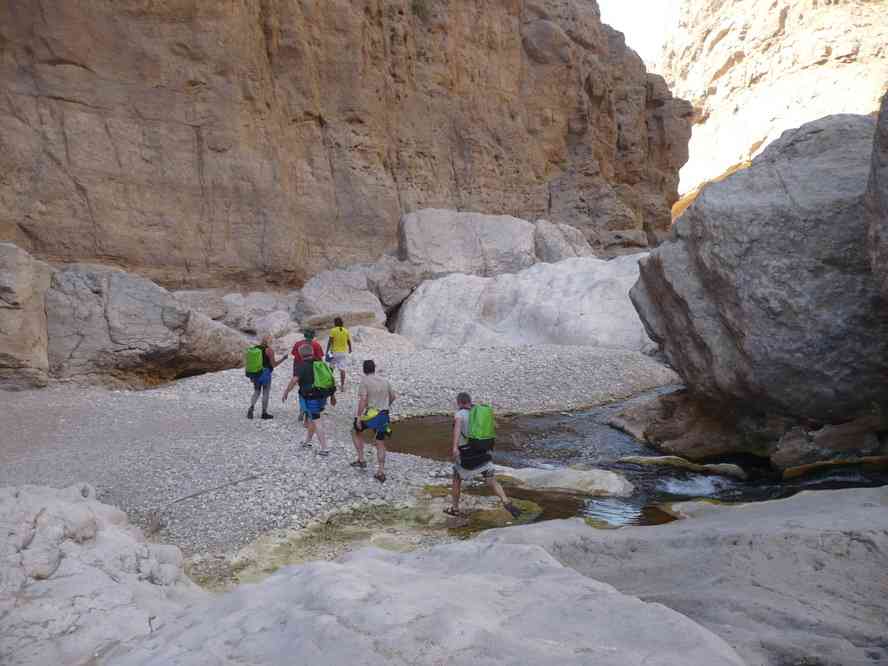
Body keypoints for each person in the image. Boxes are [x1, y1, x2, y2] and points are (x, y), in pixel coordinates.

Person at [446, 392, 520, 518]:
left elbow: (457, 430)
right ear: (470, 401)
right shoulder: (480, 413)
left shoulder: (459, 414)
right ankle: (506, 501)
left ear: (458, 402)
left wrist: (454, 448)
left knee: (457, 478)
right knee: (491, 479)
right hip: (482, 451)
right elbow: (494, 426)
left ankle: (455, 508)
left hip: (466, 453)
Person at [351, 359, 396, 483]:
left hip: (371, 414)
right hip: (384, 414)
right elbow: (393, 396)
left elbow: (363, 400)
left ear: (364, 369)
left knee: (355, 431)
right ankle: (381, 471)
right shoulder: (385, 380)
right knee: (380, 442)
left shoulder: (364, 381)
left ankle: (361, 459)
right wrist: (386, 406)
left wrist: (359, 417)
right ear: (374, 368)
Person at [282, 356, 336, 456]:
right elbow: (330, 379)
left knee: (317, 421)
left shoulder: (302, 366)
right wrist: (333, 396)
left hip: (311, 397)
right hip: (322, 395)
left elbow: (294, 380)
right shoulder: (320, 363)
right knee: (312, 419)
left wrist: (286, 391)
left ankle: (325, 448)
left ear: (300, 354)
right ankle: (308, 441)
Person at [247, 334, 288, 420]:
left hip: (255, 373)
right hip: (265, 373)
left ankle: (251, 407)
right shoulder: (269, 350)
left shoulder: (255, 349)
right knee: (265, 392)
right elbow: (274, 364)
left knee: (257, 391)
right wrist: (283, 359)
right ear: (269, 341)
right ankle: (264, 413)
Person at [291, 328, 324, 425]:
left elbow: (294, 354)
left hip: (298, 370)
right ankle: (307, 414)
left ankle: (302, 409)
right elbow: (320, 359)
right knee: (310, 391)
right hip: (312, 371)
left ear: (305, 335)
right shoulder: (316, 345)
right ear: (313, 335)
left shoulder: (298, 344)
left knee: (301, 390)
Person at [325, 317, 352, 390]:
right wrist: (350, 349)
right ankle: (342, 386)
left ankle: (329, 384)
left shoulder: (333, 330)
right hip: (343, 352)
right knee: (342, 369)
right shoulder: (346, 331)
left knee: (331, 368)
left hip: (334, 352)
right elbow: (348, 341)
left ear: (335, 323)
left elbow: (330, 341)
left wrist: (327, 350)